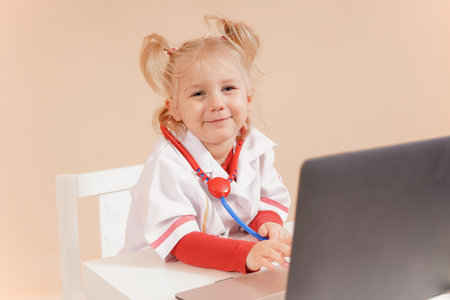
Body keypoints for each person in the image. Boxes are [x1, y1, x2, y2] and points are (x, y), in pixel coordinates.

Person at [121, 15, 292, 273]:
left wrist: (268, 222)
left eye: (228, 88)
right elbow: (182, 243)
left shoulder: (255, 147)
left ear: (248, 97)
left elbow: (269, 198)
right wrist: (245, 254)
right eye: (199, 93)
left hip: (217, 270)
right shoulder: (167, 165)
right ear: (175, 108)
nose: (216, 103)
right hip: (156, 275)